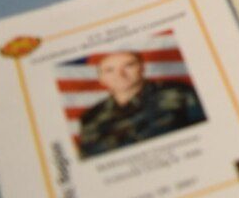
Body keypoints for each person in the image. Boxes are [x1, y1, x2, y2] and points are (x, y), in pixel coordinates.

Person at [75, 48, 206, 159]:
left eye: (128, 65)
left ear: (142, 68)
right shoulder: (90, 117)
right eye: (109, 70)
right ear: (101, 79)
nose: (120, 74)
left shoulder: (179, 94)